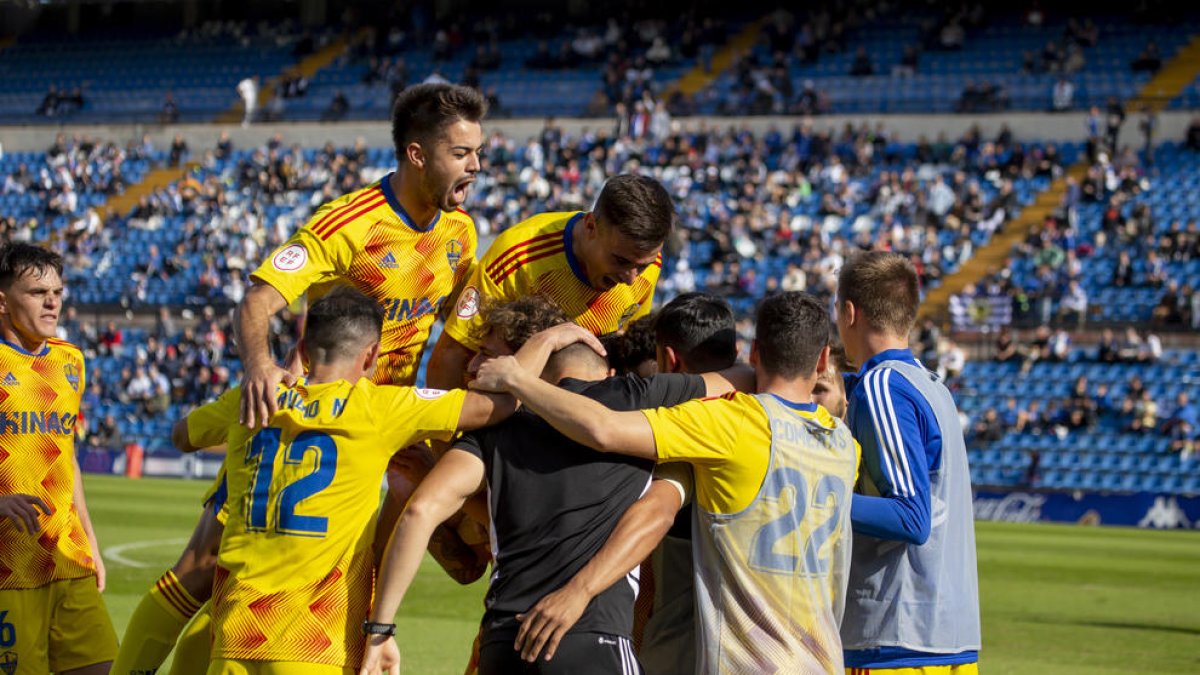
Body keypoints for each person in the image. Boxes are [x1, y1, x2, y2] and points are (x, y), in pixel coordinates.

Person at [113, 83, 488, 675]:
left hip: (383, 424)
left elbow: (456, 327)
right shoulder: (346, 223)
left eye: (478, 152)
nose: (477, 166)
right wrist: (261, 368)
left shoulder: (459, 233)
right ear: (418, 154)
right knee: (205, 567)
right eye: (463, 153)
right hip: (306, 418)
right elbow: (260, 299)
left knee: (348, 581)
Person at [178, 289, 593, 673]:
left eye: (484, 354)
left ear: (302, 349)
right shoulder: (379, 408)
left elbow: (182, 435)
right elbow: (496, 405)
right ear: (372, 355)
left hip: (233, 634)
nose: (470, 364)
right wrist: (550, 340)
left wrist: (264, 378)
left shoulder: (250, 398)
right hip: (314, 642)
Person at [461, 292, 860, 674]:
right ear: (823, 357)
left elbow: (606, 433)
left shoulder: (728, 425)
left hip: (742, 660)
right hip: (820, 657)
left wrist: (518, 380)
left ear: (754, 352)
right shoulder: (844, 445)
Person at [359, 295, 749, 674]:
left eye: (490, 355)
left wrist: (380, 630)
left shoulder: (496, 432)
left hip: (504, 644)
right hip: (591, 636)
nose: (475, 365)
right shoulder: (638, 400)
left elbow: (421, 510)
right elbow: (746, 377)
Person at [500, 292, 737, 675]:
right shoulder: (770, 415)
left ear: (669, 360)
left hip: (684, 642)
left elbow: (609, 438)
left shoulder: (681, 429)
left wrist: (578, 591)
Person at [835, 251, 981, 673]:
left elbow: (910, 517)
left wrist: (821, 497)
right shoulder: (932, 385)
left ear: (849, 312)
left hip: (898, 638)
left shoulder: (883, 385)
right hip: (946, 637)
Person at [427, 174, 674, 391]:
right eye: (620, 260)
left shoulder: (647, 261)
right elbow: (452, 355)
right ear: (590, 227)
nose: (631, 279)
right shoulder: (520, 257)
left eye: (642, 266)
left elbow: (628, 348)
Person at [0, 242, 118, 674]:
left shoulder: (70, 361)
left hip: (66, 557)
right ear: (2, 300)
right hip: (9, 568)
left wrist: (90, 542)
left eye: (58, 291)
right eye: (37, 292)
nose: (52, 301)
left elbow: (65, 454)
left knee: (103, 667)